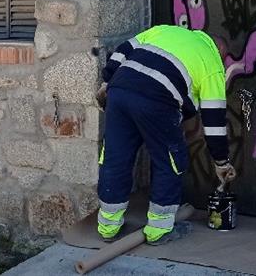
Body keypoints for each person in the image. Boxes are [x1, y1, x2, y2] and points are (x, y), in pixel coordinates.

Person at [94, 24, 237, 245]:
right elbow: (214, 119)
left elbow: (123, 49)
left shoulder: (166, 31)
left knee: (114, 158)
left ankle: (108, 227)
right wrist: (221, 161)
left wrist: (107, 80)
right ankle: (158, 231)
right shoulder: (212, 62)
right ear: (219, 51)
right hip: (158, 100)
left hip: (120, 90)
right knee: (169, 161)